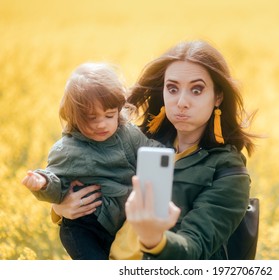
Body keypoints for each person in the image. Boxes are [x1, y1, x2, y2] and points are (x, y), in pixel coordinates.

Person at [53, 40, 258, 260]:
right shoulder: (137, 142)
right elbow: (97, 185)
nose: (181, 102)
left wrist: (155, 240)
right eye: (172, 88)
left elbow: (196, 247)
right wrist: (61, 208)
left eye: (196, 90)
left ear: (217, 97)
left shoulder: (228, 172)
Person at [21, 62, 161, 260]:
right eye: (91, 118)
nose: (102, 124)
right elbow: (57, 183)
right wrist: (42, 182)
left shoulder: (128, 133)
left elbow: (150, 149)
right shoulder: (68, 150)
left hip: (116, 224)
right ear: (74, 117)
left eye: (109, 115)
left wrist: (170, 155)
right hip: (84, 229)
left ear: (118, 110)